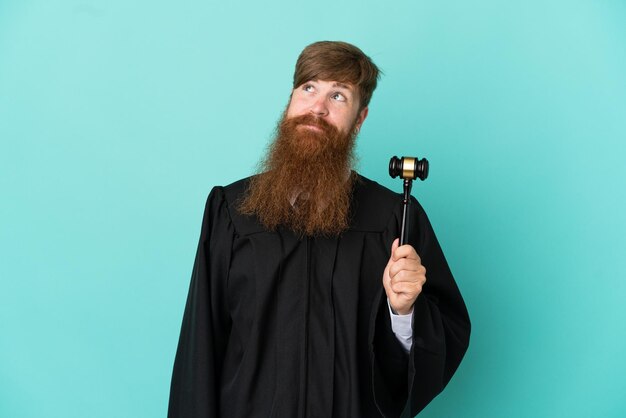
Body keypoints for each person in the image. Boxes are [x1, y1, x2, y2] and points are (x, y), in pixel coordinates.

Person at [168, 41, 470, 418]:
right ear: (290, 102)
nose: (318, 107)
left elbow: (441, 340)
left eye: (339, 96)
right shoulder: (232, 210)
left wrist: (404, 312)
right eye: (308, 88)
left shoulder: (394, 220)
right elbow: (200, 350)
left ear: (359, 120)